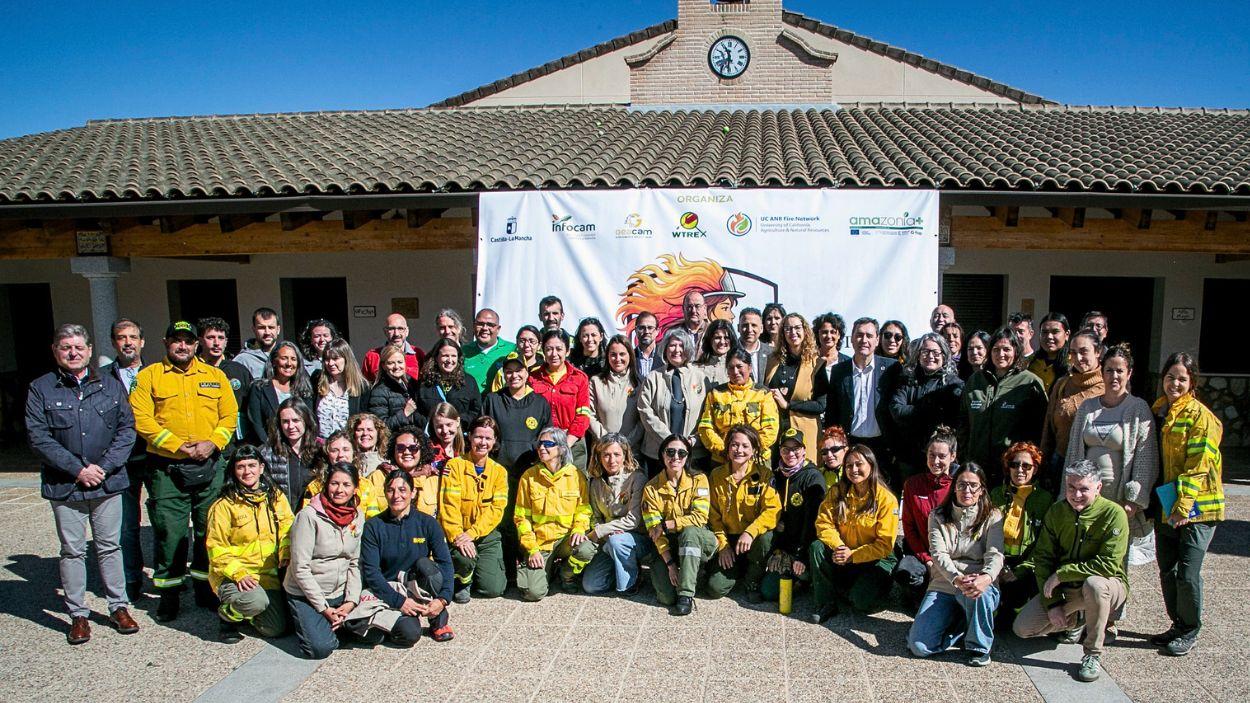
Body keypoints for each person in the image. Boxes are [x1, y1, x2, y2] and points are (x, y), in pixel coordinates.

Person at [27, 323, 139, 644]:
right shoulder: (42, 388)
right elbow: (39, 437)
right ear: (56, 351)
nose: (73, 352)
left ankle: (118, 606)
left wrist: (102, 467)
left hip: (107, 481)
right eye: (66, 347)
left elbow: (126, 430)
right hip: (66, 485)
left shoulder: (109, 384)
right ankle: (78, 613)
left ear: (90, 350)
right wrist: (78, 470)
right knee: (72, 550)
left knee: (109, 546)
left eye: (79, 347)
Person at [130, 320, 238, 622]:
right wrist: (178, 446)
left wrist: (212, 443)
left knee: (209, 530)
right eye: (177, 341)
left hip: (209, 464)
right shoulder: (149, 377)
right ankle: (169, 593)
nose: (183, 346)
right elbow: (142, 419)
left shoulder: (215, 377)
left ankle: (205, 587)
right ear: (166, 343)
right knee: (171, 533)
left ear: (196, 345)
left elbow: (229, 416)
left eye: (188, 342)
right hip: (167, 469)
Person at [1012, 460, 1129, 683]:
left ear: (1098, 488)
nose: (1076, 495)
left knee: (1094, 586)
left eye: (1084, 489)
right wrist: (1053, 604)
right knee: (1023, 629)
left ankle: (1092, 654)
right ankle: (1078, 619)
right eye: (1071, 488)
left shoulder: (1114, 514)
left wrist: (1062, 574)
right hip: (1068, 589)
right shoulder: (1057, 512)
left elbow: (1107, 565)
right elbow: (1044, 559)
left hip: (1107, 585)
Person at [1150, 352, 1223, 656]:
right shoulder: (1159, 411)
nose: (1175, 383)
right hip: (1166, 502)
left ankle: (1190, 628)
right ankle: (1177, 624)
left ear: (1192, 382)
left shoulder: (1200, 416)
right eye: (1170, 377)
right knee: (1167, 569)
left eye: (1182, 378)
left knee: (1188, 572)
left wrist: (1183, 506)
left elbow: (1198, 464)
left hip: (1197, 508)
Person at [1066, 343, 1158, 564]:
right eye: (1109, 370)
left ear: (1129, 373)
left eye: (1120, 371)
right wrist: (1068, 492)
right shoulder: (1087, 408)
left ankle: (1117, 599)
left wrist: (1133, 500)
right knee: (1084, 553)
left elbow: (1146, 458)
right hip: (1086, 496)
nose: (1114, 376)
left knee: (1116, 558)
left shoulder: (1138, 408)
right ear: (1102, 372)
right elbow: (1073, 454)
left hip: (1119, 499)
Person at [907, 463, 1003, 666]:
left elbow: (995, 554)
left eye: (973, 486)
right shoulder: (938, 516)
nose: (966, 491)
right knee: (919, 647)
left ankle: (979, 647)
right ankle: (961, 627)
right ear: (954, 487)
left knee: (978, 594)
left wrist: (986, 577)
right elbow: (938, 554)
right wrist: (957, 578)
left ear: (981, 489)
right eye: (961, 485)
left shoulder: (993, 516)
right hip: (947, 581)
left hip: (979, 582)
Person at [353, 469, 455, 644]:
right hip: (388, 590)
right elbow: (371, 572)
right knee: (409, 635)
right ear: (385, 492)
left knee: (427, 566)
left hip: (417, 586)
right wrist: (400, 602)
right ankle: (392, 622)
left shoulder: (428, 523)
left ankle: (438, 619)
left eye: (402, 490)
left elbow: (445, 563)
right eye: (391, 490)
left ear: (413, 492)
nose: (396, 495)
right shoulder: (374, 527)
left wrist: (443, 598)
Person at [205, 445, 293, 643]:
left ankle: (250, 612)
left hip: (267, 575)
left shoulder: (276, 497)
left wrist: (285, 553)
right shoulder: (223, 506)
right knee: (255, 601)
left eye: (252, 465)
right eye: (241, 467)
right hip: (236, 576)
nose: (247, 472)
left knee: (275, 629)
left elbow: (288, 528)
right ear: (233, 471)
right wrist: (239, 573)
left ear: (261, 467)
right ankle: (227, 617)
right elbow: (215, 548)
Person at [284, 462, 366, 659]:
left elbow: (354, 562)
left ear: (355, 488)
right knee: (320, 648)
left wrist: (351, 601)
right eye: (334, 484)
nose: (340, 490)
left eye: (346, 485)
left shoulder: (358, 516)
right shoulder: (308, 517)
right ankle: (322, 625)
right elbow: (300, 569)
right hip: (308, 593)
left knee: (369, 631)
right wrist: (324, 608)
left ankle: (333, 624)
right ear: (326, 485)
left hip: (339, 592)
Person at [808, 445, 900, 621]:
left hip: (876, 558)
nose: (854, 470)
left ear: (871, 465)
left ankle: (873, 586)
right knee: (817, 547)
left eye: (859, 464)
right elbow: (823, 523)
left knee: (860, 603)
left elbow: (883, 545)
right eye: (849, 466)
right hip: (845, 551)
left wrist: (853, 556)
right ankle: (825, 602)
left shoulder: (886, 499)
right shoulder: (837, 491)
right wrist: (840, 547)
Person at [513, 427, 596, 600]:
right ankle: (545, 570)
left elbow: (583, 509)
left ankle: (566, 575)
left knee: (586, 549)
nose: (542, 448)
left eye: (548, 444)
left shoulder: (576, 475)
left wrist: (579, 530)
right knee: (533, 593)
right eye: (540, 444)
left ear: (561, 448)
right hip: (540, 543)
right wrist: (532, 549)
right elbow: (521, 518)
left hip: (566, 540)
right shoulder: (529, 477)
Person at [958, 327, 1047, 486]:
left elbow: (1040, 429)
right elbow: (963, 423)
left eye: (1006, 349)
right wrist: (965, 454)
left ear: (1016, 350)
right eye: (996, 349)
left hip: (1012, 469)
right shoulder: (975, 380)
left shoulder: (1029, 383)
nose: (1001, 354)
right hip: (977, 468)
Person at [100, 319, 149, 600]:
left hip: (156, 457)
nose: (128, 342)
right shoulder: (102, 378)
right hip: (122, 461)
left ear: (142, 341)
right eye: (122, 337)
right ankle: (131, 579)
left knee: (164, 522)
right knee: (127, 524)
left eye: (133, 336)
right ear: (114, 342)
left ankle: (170, 578)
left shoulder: (158, 372)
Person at [705, 425, 781, 601]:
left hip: (752, 540)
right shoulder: (716, 476)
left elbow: (772, 510)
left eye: (745, 446)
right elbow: (713, 515)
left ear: (754, 450)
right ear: (728, 447)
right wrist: (723, 545)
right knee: (714, 589)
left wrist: (750, 532)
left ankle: (752, 580)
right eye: (734, 445)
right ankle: (734, 570)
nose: (739, 450)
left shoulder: (764, 475)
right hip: (728, 539)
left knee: (766, 538)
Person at [642, 434, 715, 615]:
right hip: (669, 545)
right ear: (662, 455)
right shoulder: (651, 489)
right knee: (666, 598)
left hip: (697, 538)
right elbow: (654, 532)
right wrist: (671, 564)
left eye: (682, 453)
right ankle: (687, 574)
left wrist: (667, 524)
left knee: (689, 533)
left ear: (687, 457)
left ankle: (686, 594)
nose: (676, 457)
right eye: (671, 452)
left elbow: (699, 518)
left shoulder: (699, 480)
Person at [439, 416, 509, 602]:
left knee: (493, 589)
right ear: (469, 437)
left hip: (485, 535)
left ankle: (476, 570)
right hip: (459, 533)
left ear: (494, 442)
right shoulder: (454, 466)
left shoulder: (499, 472)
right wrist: (459, 536)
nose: (482, 442)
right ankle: (463, 580)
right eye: (478, 437)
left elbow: (496, 510)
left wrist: (473, 533)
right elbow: (448, 507)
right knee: (464, 560)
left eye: (488, 438)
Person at [825, 318, 898, 488]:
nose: (864, 340)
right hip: (851, 443)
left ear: (877, 340)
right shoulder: (839, 371)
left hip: (882, 446)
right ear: (851, 339)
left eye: (869, 335)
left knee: (882, 493)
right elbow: (832, 411)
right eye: (859, 335)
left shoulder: (892, 368)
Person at [893, 426, 957, 609]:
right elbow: (909, 527)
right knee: (906, 572)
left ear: (952, 456)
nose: (935, 461)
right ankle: (917, 597)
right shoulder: (913, 484)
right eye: (931, 455)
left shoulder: (959, 487)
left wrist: (944, 562)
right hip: (921, 553)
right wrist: (927, 559)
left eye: (942, 456)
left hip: (951, 556)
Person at [989, 442, 1053, 623]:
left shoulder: (1044, 499)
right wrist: (996, 567)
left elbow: (1044, 543)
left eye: (1026, 466)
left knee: (1015, 617)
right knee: (992, 616)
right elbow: (985, 535)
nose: (1020, 470)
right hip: (998, 560)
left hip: (1026, 566)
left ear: (1035, 469)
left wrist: (1020, 571)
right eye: (1014, 464)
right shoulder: (995, 495)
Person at [760, 428, 825, 602]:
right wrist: (778, 551)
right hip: (784, 548)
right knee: (769, 592)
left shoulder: (813, 477)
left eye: (795, 449)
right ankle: (790, 575)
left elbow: (813, 523)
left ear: (804, 450)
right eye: (785, 449)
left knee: (801, 573)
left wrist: (800, 555)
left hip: (803, 548)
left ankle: (807, 578)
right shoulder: (776, 475)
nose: (790, 454)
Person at [582, 433, 651, 595]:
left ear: (625, 455)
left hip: (635, 538)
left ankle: (632, 579)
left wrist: (601, 531)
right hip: (609, 540)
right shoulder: (596, 482)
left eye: (616, 454)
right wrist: (606, 533)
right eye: (606, 455)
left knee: (617, 541)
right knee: (592, 586)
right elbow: (596, 516)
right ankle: (618, 567)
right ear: (599, 456)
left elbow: (633, 519)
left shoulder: (637, 478)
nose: (611, 460)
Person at [888, 333, 963, 479]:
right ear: (918, 354)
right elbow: (897, 410)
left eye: (936, 352)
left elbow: (954, 418)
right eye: (925, 351)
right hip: (909, 456)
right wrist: (928, 409)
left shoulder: (954, 384)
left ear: (944, 355)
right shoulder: (907, 380)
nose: (930, 356)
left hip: (940, 457)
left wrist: (914, 412)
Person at [637, 330, 708, 475]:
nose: (677, 350)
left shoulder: (700, 377)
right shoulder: (653, 377)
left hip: (693, 453)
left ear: (688, 349)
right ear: (665, 349)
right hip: (657, 453)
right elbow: (644, 410)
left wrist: (693, 440)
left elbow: (708, 413)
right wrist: (669, 441)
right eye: (672, 345)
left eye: (681, 345)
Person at [1040, 329, 1105, 487]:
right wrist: (1043, 462)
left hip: (1093, 466)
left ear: (1098, 352)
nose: (1078, 358)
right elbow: (1048, 426)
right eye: (1073, 353)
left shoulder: (1107, 387)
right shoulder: (1062, 384)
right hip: (1060, 462)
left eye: (1084, 352)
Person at [698, 348, 780, 465]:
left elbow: (770, 429)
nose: (735, 371)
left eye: (739, 366)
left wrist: (749, 450)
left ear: (749, 368)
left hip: (756, 459)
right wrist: (724, 450)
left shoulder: (763, 394)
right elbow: (706, 427)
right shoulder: (715, 394)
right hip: (722, 459)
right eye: (731, 367)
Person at [765, 313, 828, 460]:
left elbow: (820, 405)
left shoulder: (816, 364)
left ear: (805, 331)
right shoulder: (772, 361)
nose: (793, 332)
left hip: (805, 431)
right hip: (775, 430)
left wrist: (788, 405)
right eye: (788, 329)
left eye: (797, 328)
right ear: (782, 333)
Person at [528, 330, 592, 470]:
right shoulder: (532, 378)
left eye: (559, 349)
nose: (554, 354)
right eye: (549, 349)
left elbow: (583, 415)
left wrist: (565, 444)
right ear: (543, 351)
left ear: (567, 351)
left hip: (573, 443)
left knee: (575, 486)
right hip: (543, 446)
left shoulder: (579, 378)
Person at [482, 353, 552, 473]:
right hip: (497, 469)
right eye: (509, 371)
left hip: (531, 469)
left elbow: (547, 436)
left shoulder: (540, 403)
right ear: (504, 375)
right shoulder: (493, 400)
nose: (514, 375)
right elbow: (483, 432)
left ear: (526, 373)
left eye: (519, 370)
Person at [305, 430, 386, 518]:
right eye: (334, 450)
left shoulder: (365, 485)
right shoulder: (315, 486)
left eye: (345, 449)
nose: (341, 455)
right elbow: (307, 518)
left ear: (354, 453)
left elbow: (372, 518)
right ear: (327, 454)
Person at [244, 341, 313, 445]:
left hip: (300, 448)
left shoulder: (304, 390)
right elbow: (256, 424)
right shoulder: (259, 388)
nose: (289, 363)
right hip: (269, 448)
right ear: (274, 361)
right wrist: (271, 448)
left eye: (293, 359)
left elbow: (309, 422)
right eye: (284, 358)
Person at [197, 317, 254, 441]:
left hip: (235, 444)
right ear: (200, 341)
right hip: (203, 442)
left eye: (221, 338)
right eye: (211, 337)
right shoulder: (192, 371)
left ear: (226, 341)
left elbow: (251, 408)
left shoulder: (239, 370)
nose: (216, 343)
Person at [260, 398, 319, 511]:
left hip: (311, 518)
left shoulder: (319, 451)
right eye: (285, 421)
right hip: (281, 517)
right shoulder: (267, 453)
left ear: (306, 421)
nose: (291, 426)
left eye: (296, 420)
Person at [587, 335, 643, 450]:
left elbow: (643, 420)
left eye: (622, 354)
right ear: (607, 356)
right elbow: (590, 415)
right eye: (613, 354)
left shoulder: (640, 383)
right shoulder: (596, 382)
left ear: (630, 356)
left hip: (632, 450)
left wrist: (626, 444)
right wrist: (607, 441)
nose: (617, 359)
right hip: (603, 449)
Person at [415, 339, 482, 431]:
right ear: (436, 357)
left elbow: (476, 411)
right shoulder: (423, 382)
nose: (450, 360)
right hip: (430, 436)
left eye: (453, 356)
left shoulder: (469, 382)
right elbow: (416, 410)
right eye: (445, 356)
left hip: (460, 436)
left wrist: (456, 424)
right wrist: (432, 424)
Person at [314, 338, 367, 438]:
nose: (330, 363)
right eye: (327, 359)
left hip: (348, 446)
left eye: (335, 358)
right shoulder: (317, 380)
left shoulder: (362, 387)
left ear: (346, 359)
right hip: (320, 445)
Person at [365, 344, 423, 430]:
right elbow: (381, 426)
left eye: (400, 362)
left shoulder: (413, 384)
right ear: (384, 366)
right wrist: (404, 413)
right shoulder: (379, 392)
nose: (396, 367)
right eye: (391, 363)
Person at [388, 426, 441, 517]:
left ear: (422, 451)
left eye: (413, 448)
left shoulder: (435, 480)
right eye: (401, 448)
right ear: (394, 450)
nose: (407, 452)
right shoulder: (381, 476)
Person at [462, 308, 516, 393]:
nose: (484, 328)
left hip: (501, 404)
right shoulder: (462, 352)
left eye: (490, 325)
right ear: (474, 326)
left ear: (498, 329)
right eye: (480, 324)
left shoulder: (512, 349)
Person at [361, 313, 425, 383]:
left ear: (407, 331)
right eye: (391, 329)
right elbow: (365, 387)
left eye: (400, 328)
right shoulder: (372, 356)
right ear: (385, 332)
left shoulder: (418, 354)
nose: (396, 334)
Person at [487, 325, 543, 393]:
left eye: (532, 341)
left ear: (539, 345)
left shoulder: (545, 369)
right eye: (522, 341)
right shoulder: (504, 371)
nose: (527, 345)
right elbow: (495, 397)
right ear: (516, 342)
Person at [233, 307, 282, 380]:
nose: (267, 332)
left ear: (278, 330)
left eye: (271, 327)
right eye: (261, 328)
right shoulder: (242, 361)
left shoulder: (290, 358)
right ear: (254, 329)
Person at [1027, 312, 1071, 392]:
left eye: (1055, 332)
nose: (1049, 337)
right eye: (1044, 332)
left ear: (1067, 335)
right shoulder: (1030, 362)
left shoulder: (1073, 363)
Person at [693, 319, 738, 390]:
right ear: (710, 340)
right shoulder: (696, 368)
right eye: (717, 338)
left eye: (726, 338)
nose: (722, 342)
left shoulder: (737, 368)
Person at [348, 412, 389, 478]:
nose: (365, 433)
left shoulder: (387, 465)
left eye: (370, 430)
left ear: (378, 433)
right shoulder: (348, 461)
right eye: (360, 430)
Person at [738, 307, 773, 383]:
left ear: (761, 328)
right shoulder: (729, 352)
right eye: (745, 325)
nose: (749, 330)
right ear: (738, 328)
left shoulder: (772, 353)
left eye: (754, 325)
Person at [427, 402, 465, 472]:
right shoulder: (427, 450)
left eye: (449, 425)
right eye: (439, 426)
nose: (445, 430)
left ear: (458, 421)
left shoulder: (467, 449)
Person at [812, 312, 850, 380]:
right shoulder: (809, 362)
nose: (829, 336)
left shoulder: (848, 363)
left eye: (833, 332)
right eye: (824, 332)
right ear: (818, 334)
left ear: (839, 335)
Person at [633, 311, 660, 379]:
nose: (646, 332)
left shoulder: (665, 357)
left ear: (657, 331)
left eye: (650, 328)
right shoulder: (629, 357)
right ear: (636, 330)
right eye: (642, 328)